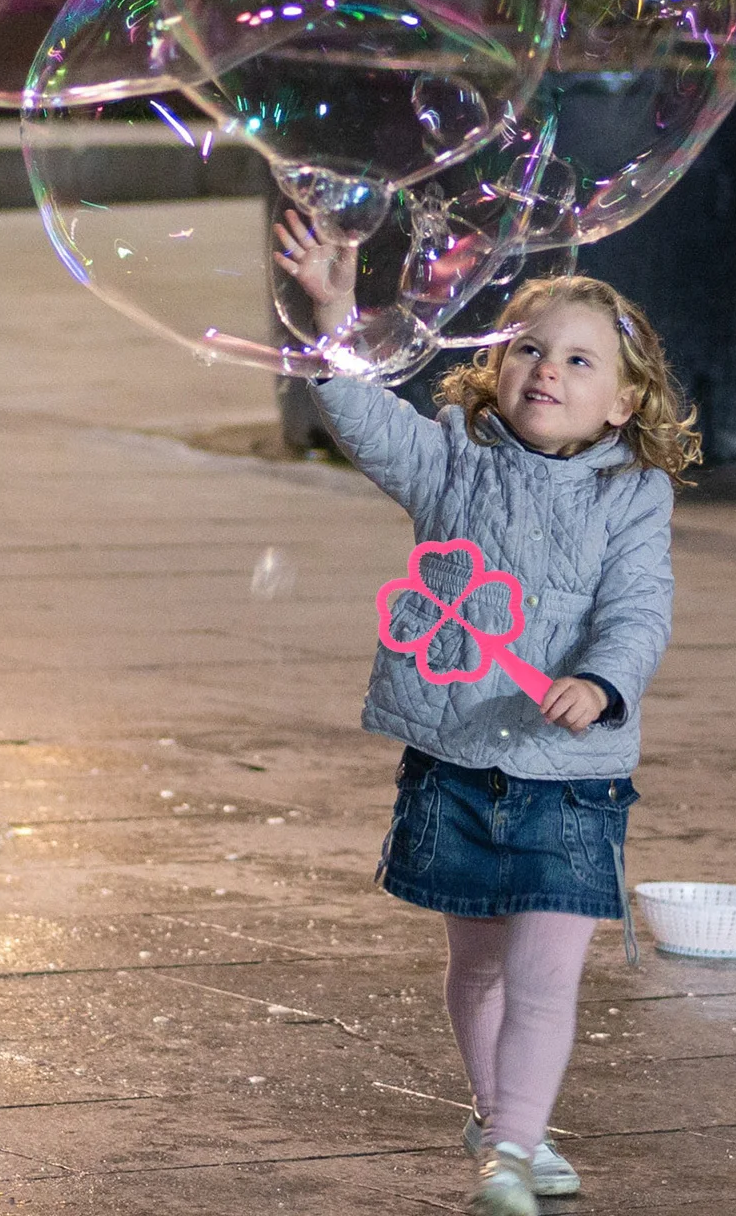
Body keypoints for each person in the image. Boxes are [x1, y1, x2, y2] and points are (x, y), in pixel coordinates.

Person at [273, 209, 696, 1215]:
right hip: (457, 757)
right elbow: (367, 421)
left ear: (624, 402)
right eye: (526, 348)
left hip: (572, 775)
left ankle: (510, 1150)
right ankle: (498, 1111)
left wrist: (601, 681)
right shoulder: (452, 458)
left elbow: (639, 606)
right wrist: (333, 320)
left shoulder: (632, 494)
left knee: (546, 971)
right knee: (479, 967)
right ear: (493, 367)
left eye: (580, 361)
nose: (546, 370)